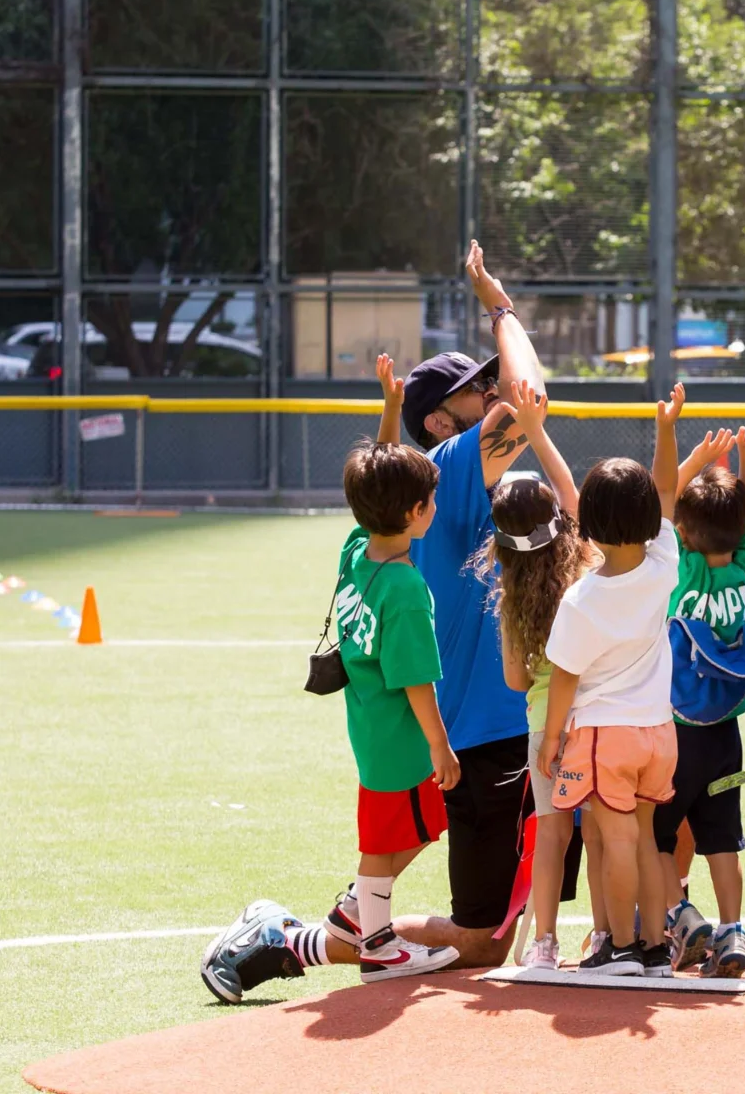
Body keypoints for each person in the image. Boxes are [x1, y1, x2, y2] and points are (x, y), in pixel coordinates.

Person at [203, 242, 547, 995]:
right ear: (440, 421)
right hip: (477, 736)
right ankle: (295, 940)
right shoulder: (456, 469)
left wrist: (390, 416)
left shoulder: (393, 510)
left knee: (416, 880)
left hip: (458, 732)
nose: (490, 394)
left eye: (487, 383)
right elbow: (531, 396)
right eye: (473, 391)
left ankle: (306, 936)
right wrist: (501, 308)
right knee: (486, 942)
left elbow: (392, 463)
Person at [202, 363, 460, 1001]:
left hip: (371, 729)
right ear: (415, 512)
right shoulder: (404, 587)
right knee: (385, 843)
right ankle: (374, 943)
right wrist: (440, 745)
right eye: (429, 501)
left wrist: (390, 413)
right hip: (400, 739)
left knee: (414, 829)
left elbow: (376, 484)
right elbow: (417, 679)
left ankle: (365, 925)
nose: (434, 508)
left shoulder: (357, 549)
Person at [538, 386, 689, 976]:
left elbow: (564, 679)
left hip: (606, 735)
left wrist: (552, 740)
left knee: (617, 840)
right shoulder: (663, 564)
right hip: (659, 733)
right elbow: (667, 490)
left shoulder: (582, 599)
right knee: (649, 841)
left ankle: (620, 947)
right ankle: (654, 948)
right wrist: (667, 429)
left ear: (587, 523)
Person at [476, 381, 594, 972]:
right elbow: (571, 491)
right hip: (596, 723)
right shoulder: (582, 565)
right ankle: (607, 935)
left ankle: (543, 943)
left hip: (542, 730)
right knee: (601, 831)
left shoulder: (510, 599)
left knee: (552, 834)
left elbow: (517, 683)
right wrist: (535, 429)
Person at [657, 412, 745, 977]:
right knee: (723, 841)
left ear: (681, 533)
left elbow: (663, 496)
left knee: (656, 836)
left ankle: (681, 912)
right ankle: (733, 930)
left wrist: (693, 455)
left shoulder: (684, 571)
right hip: (727, 731)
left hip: (676, 730)